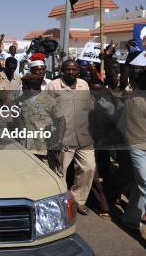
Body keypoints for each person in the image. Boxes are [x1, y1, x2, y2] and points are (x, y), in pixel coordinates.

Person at [46, 60, 95, 215]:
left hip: (83, 135)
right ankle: (60, 203)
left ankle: (78, 199)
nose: (71, 72)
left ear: (78, 70)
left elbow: (89, 107)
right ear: (62, 70)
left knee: (89, 167)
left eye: (74, 69)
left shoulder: (83, 85)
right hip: (63, 136)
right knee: (60, 171)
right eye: (68, 69)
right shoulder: (53, 85)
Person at [121, 70, 146, 234]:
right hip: (136, 146)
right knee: (145, 182)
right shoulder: (129, 95)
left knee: (140, 185)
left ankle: (130, 219)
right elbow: (121, 77)